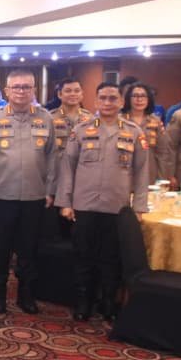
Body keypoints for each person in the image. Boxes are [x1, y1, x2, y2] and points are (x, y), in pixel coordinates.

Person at [57, 82, 149, 321]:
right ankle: (83, 302)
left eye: (113, 98)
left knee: (111, 258)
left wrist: (139, 207)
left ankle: (108, 302)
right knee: (83, 256)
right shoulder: (81, 130)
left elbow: (142, 172)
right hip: (84, 205)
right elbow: (68, 168)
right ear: (96, 101)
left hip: (116, 206)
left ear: (121, 102)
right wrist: (65, 202)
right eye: (103, 98)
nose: (108, 103)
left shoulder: (134, 132)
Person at [0, 70, 56, 315]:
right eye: (16, 87)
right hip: (1, 195)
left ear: (34, 90)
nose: (21, 91)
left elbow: (52, 158)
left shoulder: (45, 119)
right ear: (7, 91)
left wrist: (50, 190)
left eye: (26, 87)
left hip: (35, 195)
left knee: (29, 248)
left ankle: (26, 294)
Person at [49, 77, 93, 195]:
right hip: (56, 178)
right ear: (59, 94)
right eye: (68, 91)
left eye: (77, 91)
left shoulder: (91, 119)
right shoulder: (49, 118)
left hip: (83, 178)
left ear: (82, 94)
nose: (73, 94)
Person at [122, 83, 173, 183]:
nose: (139, 99)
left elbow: (162, 152)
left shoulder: (156, 121)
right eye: (135, 96)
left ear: (149, 99)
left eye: (143, 96)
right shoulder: (120, 120)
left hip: (149, 173)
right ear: (128, 99)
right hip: (124, 174)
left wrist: (162, 179)